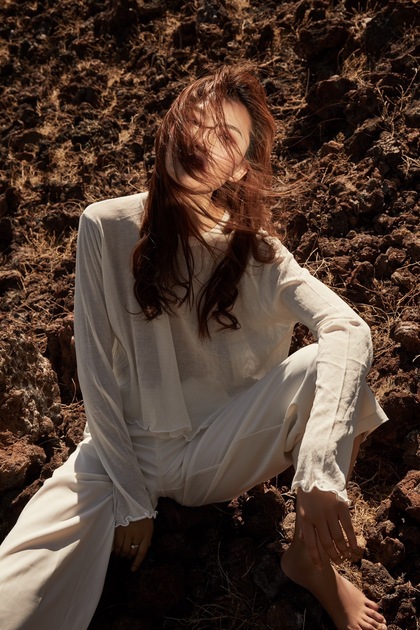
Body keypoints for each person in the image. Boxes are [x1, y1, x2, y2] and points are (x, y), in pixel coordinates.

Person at [0, 65, 389, 630]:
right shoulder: (105, 225)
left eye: (228, 137)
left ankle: (309, 559)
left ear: (240, 166)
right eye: (199, 123)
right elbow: (96, 375)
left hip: (214, 452)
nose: (205, 143)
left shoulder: (255, 251)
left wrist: (319, 472)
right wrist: (133, 499)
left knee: (332, 367)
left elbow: (348, 329)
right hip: (115, 454)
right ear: (171, 128)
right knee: (14, 600)